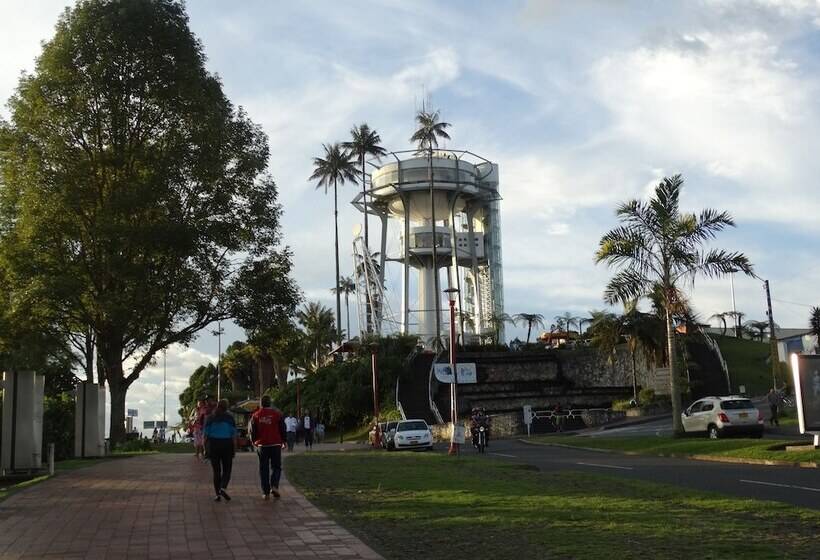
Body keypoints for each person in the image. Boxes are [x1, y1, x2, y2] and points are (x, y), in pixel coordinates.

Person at [249, 395, 286, 500]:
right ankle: (274, 485)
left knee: (263, 468)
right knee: (276, 467)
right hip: (275, 444)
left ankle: (266, 492)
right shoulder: (277, 414)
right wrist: (284, 440)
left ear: (261, 403)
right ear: (270, 403)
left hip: (262, 445)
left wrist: (253, 441)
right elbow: (282, 428)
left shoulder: (256, 415)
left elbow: (252, 430)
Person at [203, 399, 237, 502]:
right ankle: (223, 487)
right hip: (226, 444)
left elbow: (205, 436)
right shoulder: (230, 418)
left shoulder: (210, 418)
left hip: (213, 445)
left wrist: (205, 449)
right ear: (227, 407)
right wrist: (234, 449)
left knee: (216, 471)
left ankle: (217, 494)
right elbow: (234, 436)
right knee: (227, 469)